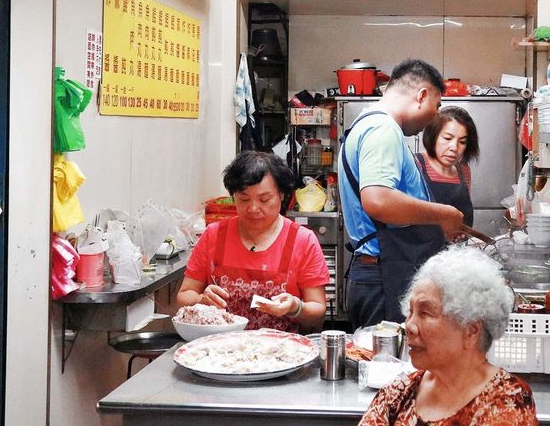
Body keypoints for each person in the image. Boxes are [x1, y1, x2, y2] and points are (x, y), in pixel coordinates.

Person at [343, 247, 541, 426]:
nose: (409, 326)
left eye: (425, 313)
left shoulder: (506, 404)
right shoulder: (398, 393)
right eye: (410, 312)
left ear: (471, 330)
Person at [339, 59, 465, 327]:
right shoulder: (383, 130)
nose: (434, 117)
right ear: (421, 96)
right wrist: (444, 214)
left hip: (381, 272)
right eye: (436, 106)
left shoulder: (367, 124)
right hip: (383, 276)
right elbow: (378, 200)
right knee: (387, 366)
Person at [176, 151, 330, 332]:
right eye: (244, 199)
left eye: (264, 199)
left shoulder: (302, 241)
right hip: (221, 349)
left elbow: (318, 310)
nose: (253, 208)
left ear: (281, 194)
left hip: (280, 350)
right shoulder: (214, 235)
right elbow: (183, 296)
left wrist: (295, 307)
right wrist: (201, 300)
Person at [415, 106, 479, 228]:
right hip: (422, 246)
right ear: (433, 136)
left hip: (458, 247)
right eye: (447, 138)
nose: (454, 147)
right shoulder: (416, 164)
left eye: (462, 142)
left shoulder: (464, 170)